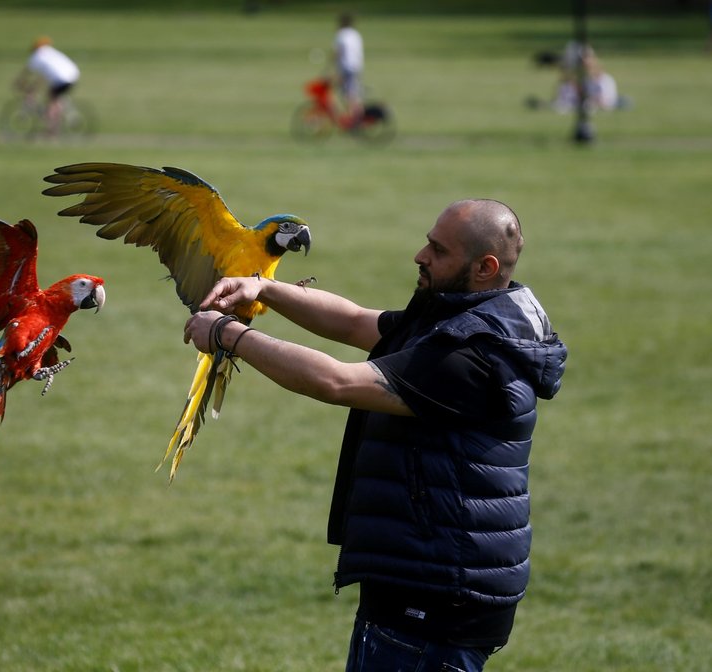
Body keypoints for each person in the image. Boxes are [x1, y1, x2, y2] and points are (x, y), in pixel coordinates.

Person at [183, 199, 567, 671]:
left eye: (438, 249)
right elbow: (353, 321)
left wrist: (228, 335)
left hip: (435, 598)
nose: (420, 255)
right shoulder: (468, 315)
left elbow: (336, 382)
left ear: (485, 267)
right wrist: (263, 287)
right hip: (433, 582)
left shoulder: (470, 354)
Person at [15, 36, 80, 135]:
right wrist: (35, 86)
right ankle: (55, 124)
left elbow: (26, 74)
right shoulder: (50, 52)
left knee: (51, 100)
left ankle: (52, 129)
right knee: (54, 97)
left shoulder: (36, 57)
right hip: (73, 74)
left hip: (61, 78)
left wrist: (20, 84)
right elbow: (43, 76)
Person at [334, 12, 364, 124]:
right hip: (357, 67)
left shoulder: (341, 34)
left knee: (349, 96)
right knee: (352, 94)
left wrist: (330, 65)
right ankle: (355, 118)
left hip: (346, 68)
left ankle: (355, 120)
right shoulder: (355, 34)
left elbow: (338, 51)